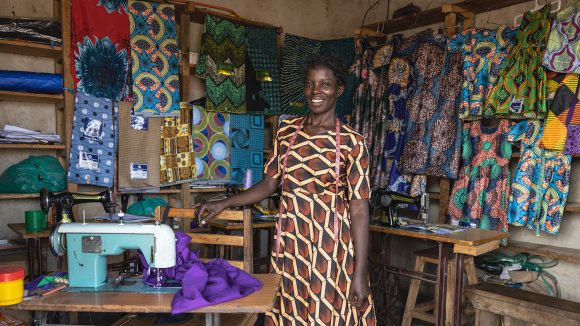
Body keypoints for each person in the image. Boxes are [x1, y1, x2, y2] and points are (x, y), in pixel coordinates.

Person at [197, 54, 376, 325]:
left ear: (339, 90)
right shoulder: (287, 131)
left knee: (327, 312)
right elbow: (270, 182)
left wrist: (360, 273)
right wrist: (224, 203)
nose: (316, 92)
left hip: (331, 246)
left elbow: (360, 209)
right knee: (289, 310)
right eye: (310, 84)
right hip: (291, 243)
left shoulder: (353, 143)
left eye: (325, 85)